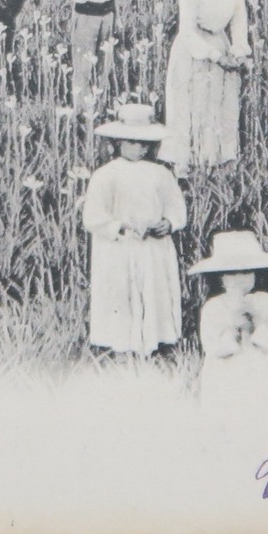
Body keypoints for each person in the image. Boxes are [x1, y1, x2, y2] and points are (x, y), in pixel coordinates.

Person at [81, 104, 187, 357]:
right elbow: (94, 216)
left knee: (153, 291)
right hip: (118, 247)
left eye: (144, 144)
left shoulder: (161, 174)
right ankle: (120, 348)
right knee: (120, 294)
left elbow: (176, 208)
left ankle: (154, 345)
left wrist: (169, 223)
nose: (138, 149)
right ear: (118, 142)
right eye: (131, 142)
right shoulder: (105, 175)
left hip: (153, 247)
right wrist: (120, 225)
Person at [159, 0, 252, 179]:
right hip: (192, 50)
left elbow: (239, 21)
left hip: (218, 42)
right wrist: (216, 57)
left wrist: (239, 50)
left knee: (219, 103)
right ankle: (185, 163)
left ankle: (215, 159)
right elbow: (187, 32)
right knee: (189, 103)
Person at [189, 230, 268, 419]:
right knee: (230, 413)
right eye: (231, 273)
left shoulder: (267, 302)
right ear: (220, 277)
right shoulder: (214, 307)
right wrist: (233, 329)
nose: (239, 279)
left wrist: (257, 324)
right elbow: (212, 346)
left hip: (262, 369)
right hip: (227, 373)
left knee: (264, 412)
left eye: (246, 272)